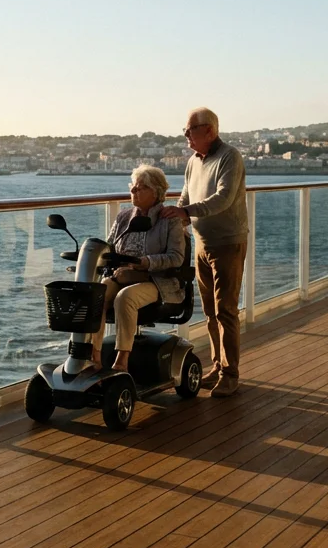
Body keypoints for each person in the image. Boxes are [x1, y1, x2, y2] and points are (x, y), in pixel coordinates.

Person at [160, 107, 248, 397]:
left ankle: (231, 374)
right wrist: (175, 218)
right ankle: (217, 366)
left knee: (226, 311)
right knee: (210, 312)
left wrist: (186, 212)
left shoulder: (230, 157)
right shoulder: (192, 162)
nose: (186, 135)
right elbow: (186, 197)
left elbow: (223, 198)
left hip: (227, 243)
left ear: (209, 130)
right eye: (185, 130)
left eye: (190, 130)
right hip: (202, 243)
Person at [87, 164, 188, 373]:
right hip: (122, 276)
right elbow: (109, 247)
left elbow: (176, 257)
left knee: (125, 297)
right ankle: (94, 357)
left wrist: (145, 262)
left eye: (140, 187)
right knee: (97, 294)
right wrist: (90, 255)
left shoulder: (169, 221)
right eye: (133, 186)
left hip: (156, 280)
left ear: (156, 192)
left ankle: (122, 360)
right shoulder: (124, 217)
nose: (133, 190)